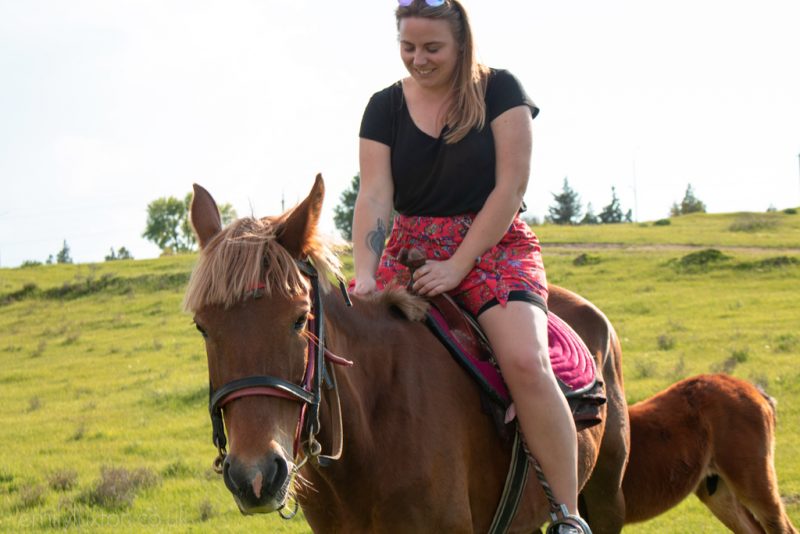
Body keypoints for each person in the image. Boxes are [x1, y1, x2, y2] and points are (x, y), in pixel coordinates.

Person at [351, 1, 588, 532]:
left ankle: (568, 515)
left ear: (462, 43)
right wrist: (365, 272)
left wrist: (459, 265)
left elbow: (511, 188)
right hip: (409, 249)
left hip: (492, 246)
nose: (419, 59)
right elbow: (374, 195)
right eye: (408, 47)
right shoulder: (382, 108)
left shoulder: (501, 91)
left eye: (432, 48)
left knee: (526, 361)